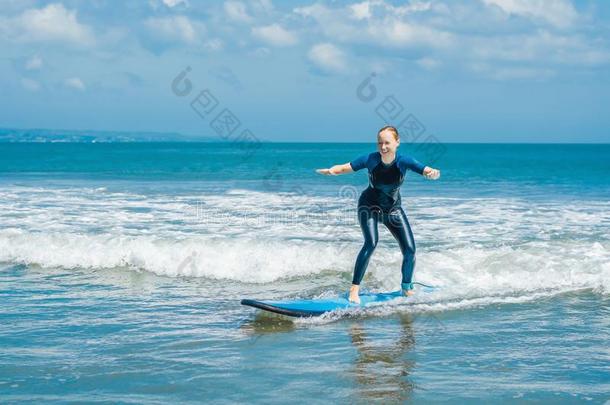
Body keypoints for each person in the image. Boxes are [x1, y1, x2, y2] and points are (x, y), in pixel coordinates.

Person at [316, 126, 441, 303]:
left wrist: (432, 173)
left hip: (393, 210)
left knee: (410, 250)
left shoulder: (404, 161)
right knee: (371, 243)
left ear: (397, 143)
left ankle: (406, 287)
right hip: (369, 207)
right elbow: (346, 167)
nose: (382, 147)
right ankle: (354, 289)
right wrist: (331, 170)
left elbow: (427, 170)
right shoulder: (371, 159)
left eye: (387, 143)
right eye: (380, 142)